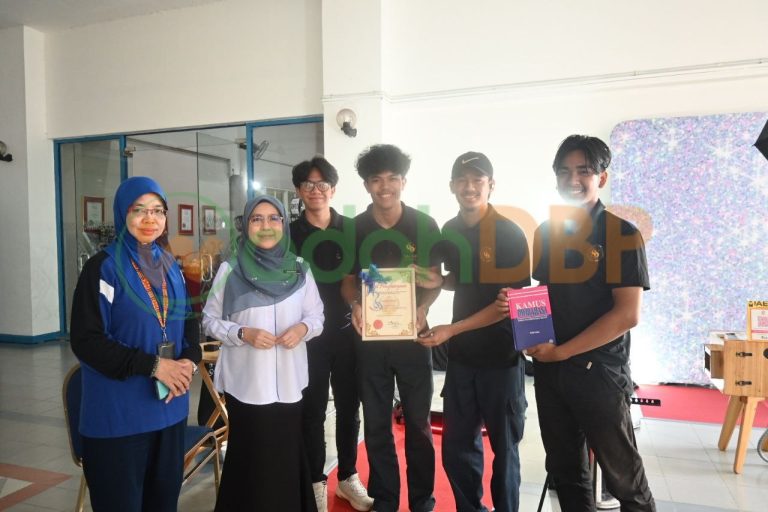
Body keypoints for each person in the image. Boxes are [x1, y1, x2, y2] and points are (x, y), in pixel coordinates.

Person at [497, 135, 654, 511]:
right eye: (564, 171)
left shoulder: (622, 234)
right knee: (566, 473)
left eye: (583, 171)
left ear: (602, 177)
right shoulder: (547, 232)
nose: (573, 179)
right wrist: (522, 314)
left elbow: (627, 314)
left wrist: (563, 351)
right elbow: (545, 293)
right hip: (551, 373)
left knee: (624, 479)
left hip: (599, 373)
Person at [70, 176, 201, 512]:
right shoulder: (104, 268)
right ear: (122, 214)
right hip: (119, 420)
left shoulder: (171, 266)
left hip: (169, 414)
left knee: (163, 504)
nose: (149, 219)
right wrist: (154, 365)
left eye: (157, 211)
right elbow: (87, 341)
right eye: (138, 210)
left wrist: (188, 361)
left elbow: (190, 327)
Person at [417, 152, 530, 512]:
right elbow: (461, 279)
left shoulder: (509, 234)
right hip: (463, 361)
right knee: (457, 450)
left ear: (490, 185)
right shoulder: (450, 230)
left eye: (477, 180)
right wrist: (437, 282)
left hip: (502, 359)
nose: (470, 187)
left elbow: (505, 305)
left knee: (505, 452)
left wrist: (452, 329)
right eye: (462, 180)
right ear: (452, 186)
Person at [202, 195, 324, 512]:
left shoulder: (300, 269)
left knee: (286, 456)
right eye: (257, 219)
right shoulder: (230, 270)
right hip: (247, 386)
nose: (266, 225)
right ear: (246, 225)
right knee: (251, 459)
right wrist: (242, 333)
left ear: (283, 224)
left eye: (273, 218)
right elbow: (209, 320)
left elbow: (317, 317)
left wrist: (303, 329)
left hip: (290, 384)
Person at [341, 144, 441, 512]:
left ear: (404, 182)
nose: (385, 187)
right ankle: (385, 500)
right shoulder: (354, 228)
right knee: (377, 424)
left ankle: (422, 501)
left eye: (392, 178)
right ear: (366, 185)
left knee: (418, 424)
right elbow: (348, 282)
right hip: (370, 341)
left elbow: (435, 280)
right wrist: (355, 304)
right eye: (376, 180)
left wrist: (423, 307)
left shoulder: (424, 225)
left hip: (413, 337)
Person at [290, 157, 373, 512]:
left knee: (349, 407)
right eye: (308, 185)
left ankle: (348, 477)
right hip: (307, 337)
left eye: (322, 184)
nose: (316, 191)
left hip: (348, 331)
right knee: (312, 411)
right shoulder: (289, 234)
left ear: (333, 189)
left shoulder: (352, 229)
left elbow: (367, 278)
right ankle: (315, 482)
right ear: (299, 191)